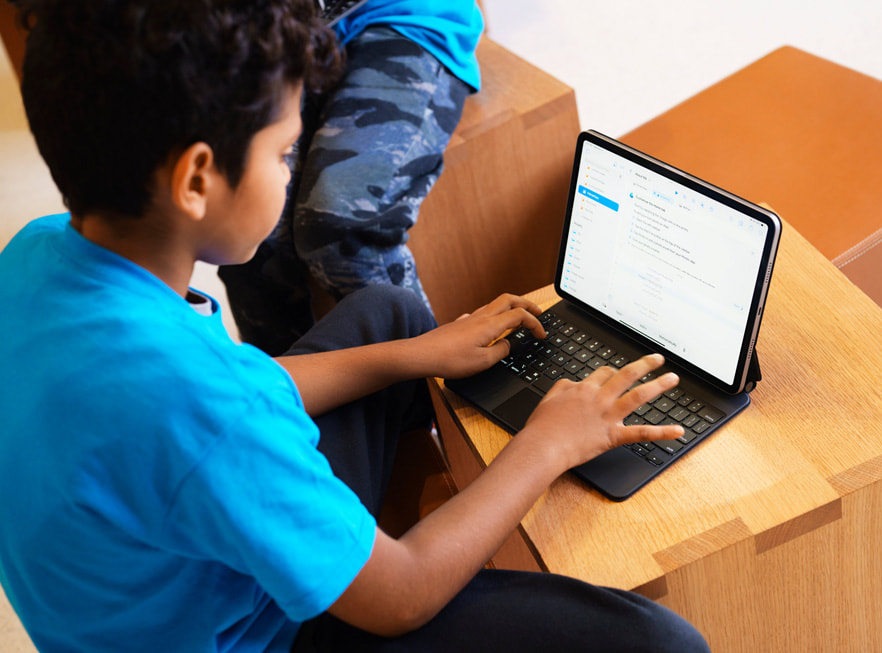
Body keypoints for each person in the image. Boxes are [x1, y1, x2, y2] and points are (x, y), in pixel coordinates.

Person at [0, 1, 711, 652]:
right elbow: (399, 597)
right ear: (195, 180)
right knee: (661, 643)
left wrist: (414, 352)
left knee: (388, 318)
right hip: (265, 632)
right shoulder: (205, 411)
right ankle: (390, 550)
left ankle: (395, 531)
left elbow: (237, 389)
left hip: (157, 591)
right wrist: (544, 446)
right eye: (285, 153)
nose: (291, 172)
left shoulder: (35, 253)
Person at [218, 0, 484, 356]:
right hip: (271, 32)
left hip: (402, 17)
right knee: (245, 226)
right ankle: (281, 400)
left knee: (342, 227)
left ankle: (430, 395)